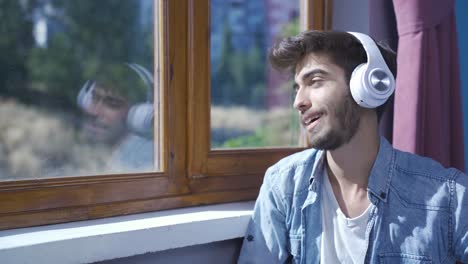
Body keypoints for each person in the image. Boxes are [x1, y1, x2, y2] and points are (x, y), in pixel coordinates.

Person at [237, 30, 468, 263]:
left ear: (369, 86)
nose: (298, 102)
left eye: (315, 81)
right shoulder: (283, 184)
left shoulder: (449, 197)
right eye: (297, 88)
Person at [77, 63, 156, 172]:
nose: (94, 112)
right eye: (94, 98)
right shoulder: (93, 153)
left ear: (139, 114)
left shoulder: (146, 160)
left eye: (112, 103)